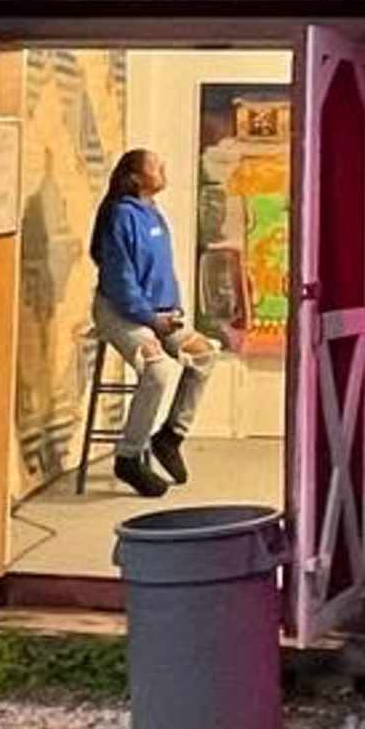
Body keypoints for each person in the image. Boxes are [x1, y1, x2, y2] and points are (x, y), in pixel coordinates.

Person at [89, 148, 217, 495]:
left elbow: (161, 271)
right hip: (120, 312)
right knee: (158, 371)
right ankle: (129, 457)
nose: (162, 169)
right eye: (155, 166)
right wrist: (149, 319)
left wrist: (172, 313)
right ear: (135, 178)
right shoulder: (121, 216)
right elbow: (121, 282)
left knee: (205, 355)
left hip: (160, 314)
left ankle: (170, 436)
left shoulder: (154, 214)